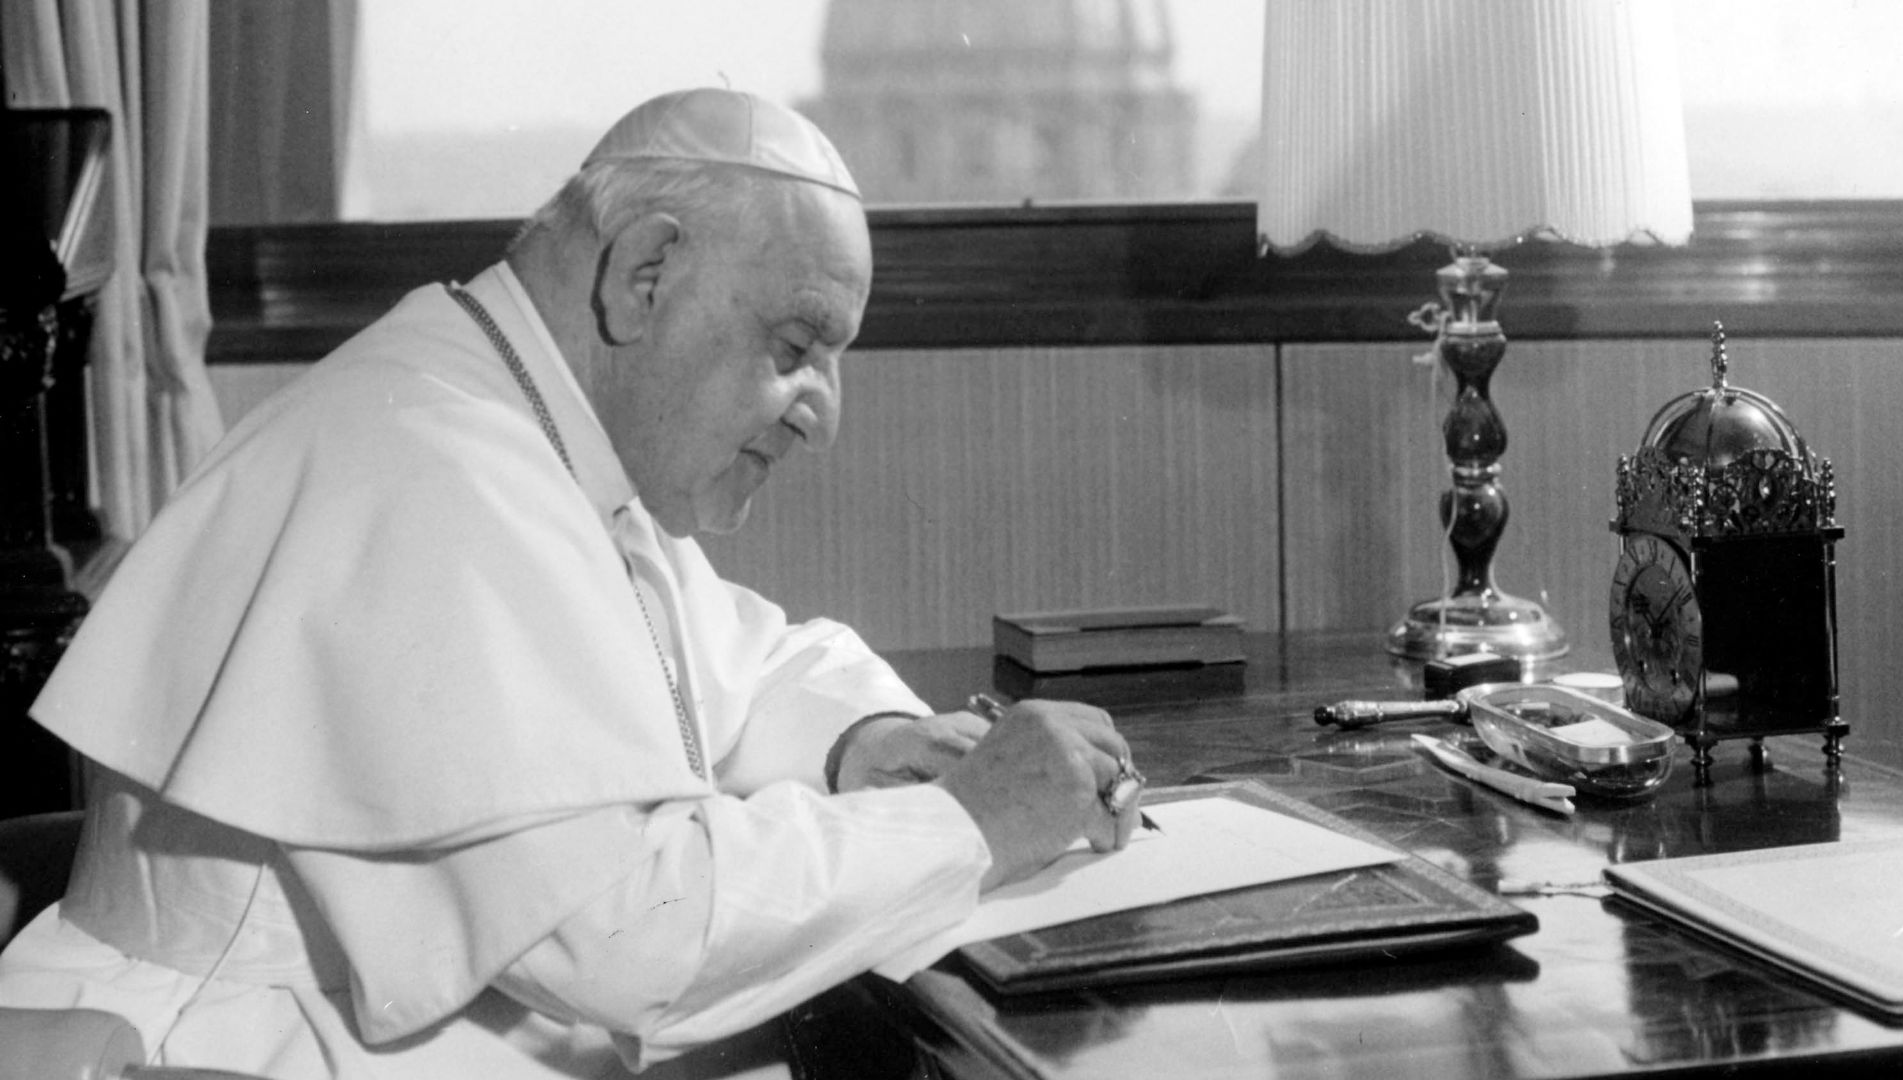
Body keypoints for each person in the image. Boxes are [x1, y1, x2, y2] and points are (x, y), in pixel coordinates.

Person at [0, 88, 1141, 1078]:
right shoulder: (436, 467)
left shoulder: (516, 413)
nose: (823, 414)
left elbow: (735, 663)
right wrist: (969, 823)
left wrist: (867, 742)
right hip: (234, 1053)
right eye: (796, 348)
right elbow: (634, 937)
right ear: (644, 274)